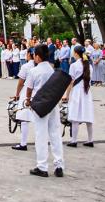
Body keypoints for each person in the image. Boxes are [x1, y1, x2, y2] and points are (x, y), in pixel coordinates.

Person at [26, 44, 65, 177]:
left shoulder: (34, 71)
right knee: (55, 133)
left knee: (41, 134)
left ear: (37, 56)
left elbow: (29, 89)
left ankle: (42, 166)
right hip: (53, 104)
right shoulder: (52, 70)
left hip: (39, 105)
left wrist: (27, 99)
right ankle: (59, 164)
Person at [63, 45, 95, 147]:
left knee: (75, 116)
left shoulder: (74, 65)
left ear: (76, 53)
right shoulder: (89, 66)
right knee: (88, 116)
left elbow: (70, 82)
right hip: (87, 92)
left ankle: (74, 140)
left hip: (77, 92)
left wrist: (66, 95)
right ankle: (90, 140)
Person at [11, 48, 36, 151]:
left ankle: (23, 143)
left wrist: (17, 94)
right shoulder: (45, 66)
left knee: (24, 118)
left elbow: (21, 82)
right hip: (40, 92)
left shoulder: (26, 66)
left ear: (29, 54)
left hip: (28, 92)